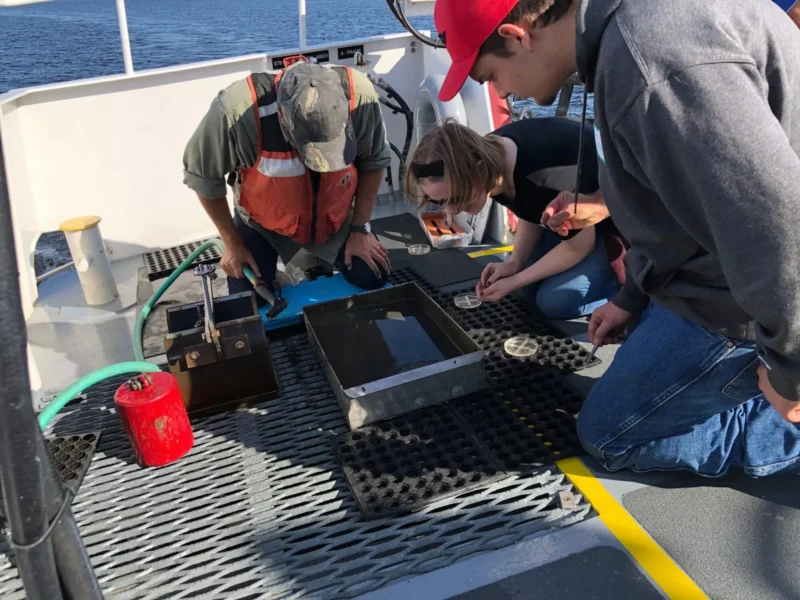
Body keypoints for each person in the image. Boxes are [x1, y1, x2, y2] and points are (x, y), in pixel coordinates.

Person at [433, 0, 800, 477]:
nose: (497, 90)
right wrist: (631, 296)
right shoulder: (622, 41)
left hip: (741, 304)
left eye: (488, 76)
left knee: (608, 436)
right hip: (706, 277)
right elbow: (665, 212)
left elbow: (775, 224)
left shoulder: (651, 63)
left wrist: (789, 374)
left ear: (516, 36)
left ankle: (782, 431)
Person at [183, 60, 391, 302]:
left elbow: (374, 162)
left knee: (374, 275)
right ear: (282, 115)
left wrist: (359, 229)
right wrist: (232, 244)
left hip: (336, 216)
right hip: (263, 222)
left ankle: (317, 257)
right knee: (250, 298)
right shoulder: (235, 111)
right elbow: (202, 178)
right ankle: (277, 278)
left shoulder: (361, 97)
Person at [406, 117, 626, 319]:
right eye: (439, 201)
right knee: (527, 287)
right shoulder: (489, 157)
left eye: (455, 198)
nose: (451, 211)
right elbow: (529, 208)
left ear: (480, 170)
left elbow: (578, 247)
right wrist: (514, 263)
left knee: (555, 301)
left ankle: (625, 289)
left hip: (619, 218)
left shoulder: (541, 178)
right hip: (570, 218)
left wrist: (514, 281)